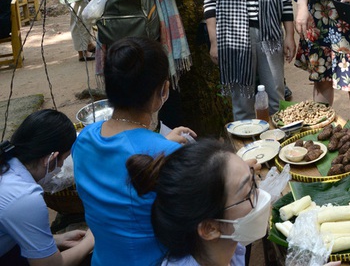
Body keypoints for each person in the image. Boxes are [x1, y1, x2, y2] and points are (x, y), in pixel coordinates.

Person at [72, 37, 196, 266]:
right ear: (164, 90)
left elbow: (124, 166)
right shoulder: (166, 154)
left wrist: (162, 143)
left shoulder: (84, 140)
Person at [126, 140, 262, 265]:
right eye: (248, 193)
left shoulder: (227, 249)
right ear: (210, 229)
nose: (261, 195)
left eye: (253, 181)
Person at [0, 109, 95, 265]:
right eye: (64, 159)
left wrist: (55, 240)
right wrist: (90, 241)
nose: (62, 165)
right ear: (51, 158)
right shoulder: (24, 197)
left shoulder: (7, 162)